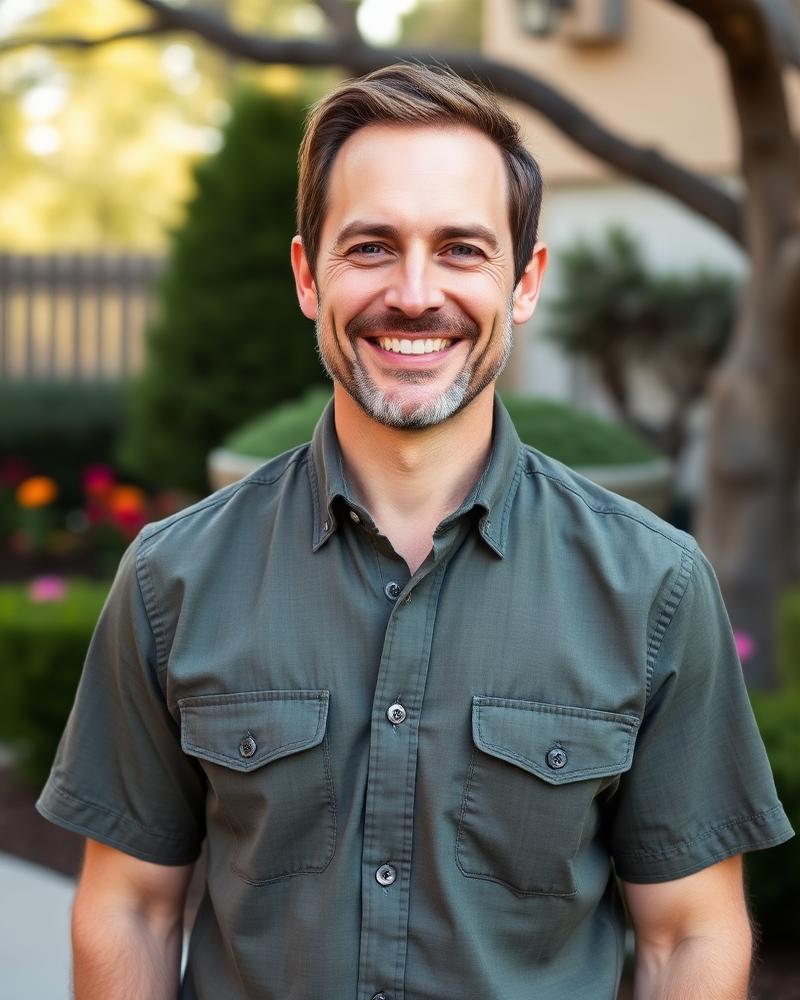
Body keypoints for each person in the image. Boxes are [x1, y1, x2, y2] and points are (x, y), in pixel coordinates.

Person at [38, 63, 792, 1000]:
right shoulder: (172, 578)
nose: (415, 292)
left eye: (463, 249)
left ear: (524, 282)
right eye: (371, 247)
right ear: (309, 276)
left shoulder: (654, 586)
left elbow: (689, 936)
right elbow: (131, 910)